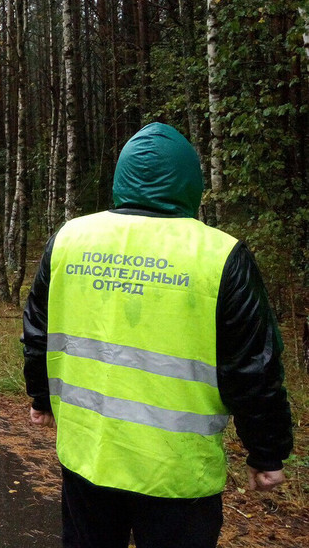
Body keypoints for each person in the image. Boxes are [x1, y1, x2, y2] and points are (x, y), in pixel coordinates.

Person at [22, 123, 292, 548]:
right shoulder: (220, 255)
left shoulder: (70, 238)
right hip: (176, 475)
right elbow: (253, 366)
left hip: (88, 458)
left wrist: (41, 398)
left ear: (122, 177)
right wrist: (266, 452)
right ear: (192, 182)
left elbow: (37, 331)